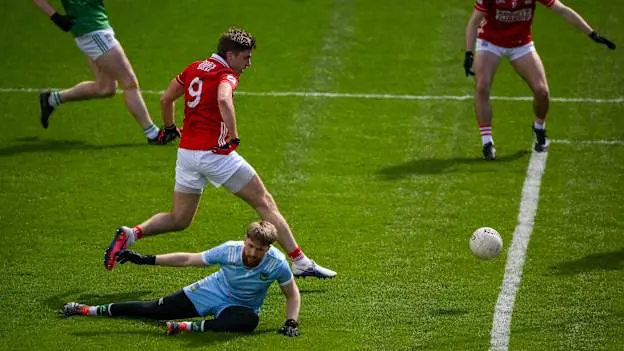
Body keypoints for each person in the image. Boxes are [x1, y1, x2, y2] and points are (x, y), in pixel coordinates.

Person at [103, 27, 336, 279]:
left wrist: (169, 128)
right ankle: (300, 261)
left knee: (179, 218)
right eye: (246, 57)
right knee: (264, 202)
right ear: (230, 54)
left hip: (187, 155)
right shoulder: (226, 74)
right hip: (215, 154)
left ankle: (132, 233)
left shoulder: (194, 68)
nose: (249, 63)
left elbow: (165, 99)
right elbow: (224, 99)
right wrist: (233, 135)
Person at [65, 221, 301, 337]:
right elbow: (189, 259)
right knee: (153, 310)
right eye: (250, 246)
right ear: (245, 239)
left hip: (241, 307)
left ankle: (185, 327)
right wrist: (146, 259)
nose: (251, 253)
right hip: (213, 290)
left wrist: (291, 322)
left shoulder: (276, 263)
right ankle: (87, 309)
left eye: (259, 250)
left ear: (268, 248)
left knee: (249, 322)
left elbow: (291, 294)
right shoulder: (229, 250)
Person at [464, 0, 616, 160]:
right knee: (482, 86)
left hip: (520, 44)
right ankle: (487, 143)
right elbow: (474, 21)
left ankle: (539, 127)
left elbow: (562, 10)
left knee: (542, 91)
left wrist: (592, 33)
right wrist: (469, 53)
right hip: (490, 42)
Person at [32, 0, 175, 144]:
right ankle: (153, 134)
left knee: (105, 88)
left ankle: (51, 99)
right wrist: (55, 16)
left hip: (96, 29)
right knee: (129, 82)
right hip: (92, 32)